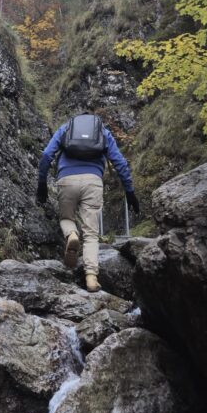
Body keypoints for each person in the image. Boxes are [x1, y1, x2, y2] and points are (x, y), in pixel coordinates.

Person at [36, 113, 139, 292]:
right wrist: (129, 191)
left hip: (66, 179)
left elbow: (46, 155)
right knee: (91, 234)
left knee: (66, 218)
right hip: (93, 181)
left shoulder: (66, 128)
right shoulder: (103, 132)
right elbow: (119, 162)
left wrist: (42, 183)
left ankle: (72, 235)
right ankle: (91, 277)